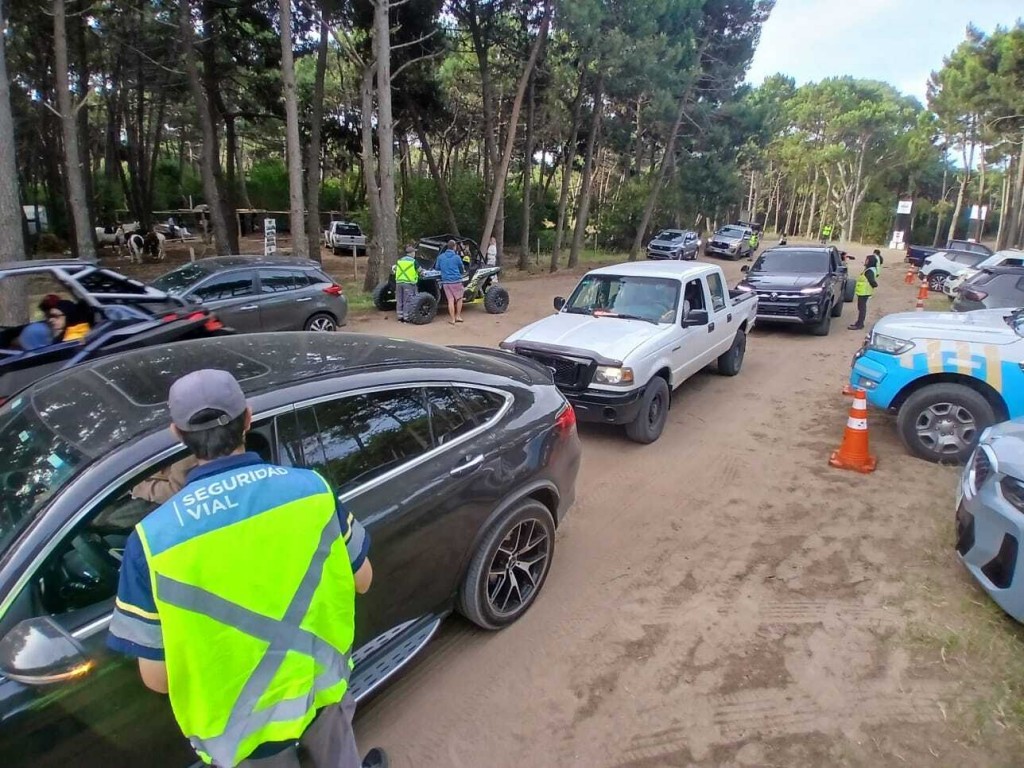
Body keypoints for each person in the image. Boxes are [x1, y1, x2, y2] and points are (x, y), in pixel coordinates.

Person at [107, 369, 387, 768]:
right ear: (249, 418)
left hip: (239, 732)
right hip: (321, 691)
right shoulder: (312, 491)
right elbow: (364, 580)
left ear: (177, 434)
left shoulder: (150, 542)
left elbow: (158, 679)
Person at [436, 239, 466, 325]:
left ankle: (452, 319)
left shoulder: (440, 257)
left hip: (446, 282)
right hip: (456, 280)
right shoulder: (457, 257)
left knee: (450, 300)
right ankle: (458, 316)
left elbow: (437, 268)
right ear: (454, 247)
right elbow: (461, 268)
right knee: (459, 298)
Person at [848, 253, 879, 331]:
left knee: (861, 309)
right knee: (862, 308)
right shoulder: (871, 269)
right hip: (864, 292)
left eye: (867, 260)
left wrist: (874, 285)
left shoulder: (869, 271)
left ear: (870, 261)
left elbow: (872, 281)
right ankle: (859, 323)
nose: (865, 261)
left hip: (864, 292)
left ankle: (860, 324)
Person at [394, 244, 420, 323]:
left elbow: (395, 269)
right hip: (408, 283)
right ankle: (406, 317)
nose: (415, 254)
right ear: (411, 253)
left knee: (399, 300)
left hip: (398, 282)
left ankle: (399, 317)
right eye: (414, 252)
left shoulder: (400, 260)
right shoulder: (413, 261)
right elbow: (420, 271)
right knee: (407, 300)